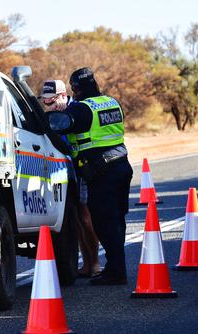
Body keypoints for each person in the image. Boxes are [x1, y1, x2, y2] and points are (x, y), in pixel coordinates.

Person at [62, 67, 133, 285]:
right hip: (122, 166)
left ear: (75, 88)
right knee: (117, 220)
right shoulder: (112, 102)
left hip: (101, 172)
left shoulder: (81, 109)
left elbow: (57, 126)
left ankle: (116, 272)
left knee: (104, 222)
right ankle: (116, 267)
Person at [40, 79, 102, 278]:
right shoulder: (55, 116)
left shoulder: (75, 111)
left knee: (85, 217)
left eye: (52, 102)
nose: (48, 106)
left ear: (64, 96)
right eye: (45, 102)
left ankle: (95, 263)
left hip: (82, 169)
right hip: (66, 173)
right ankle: (87, 263)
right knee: (76, 219)